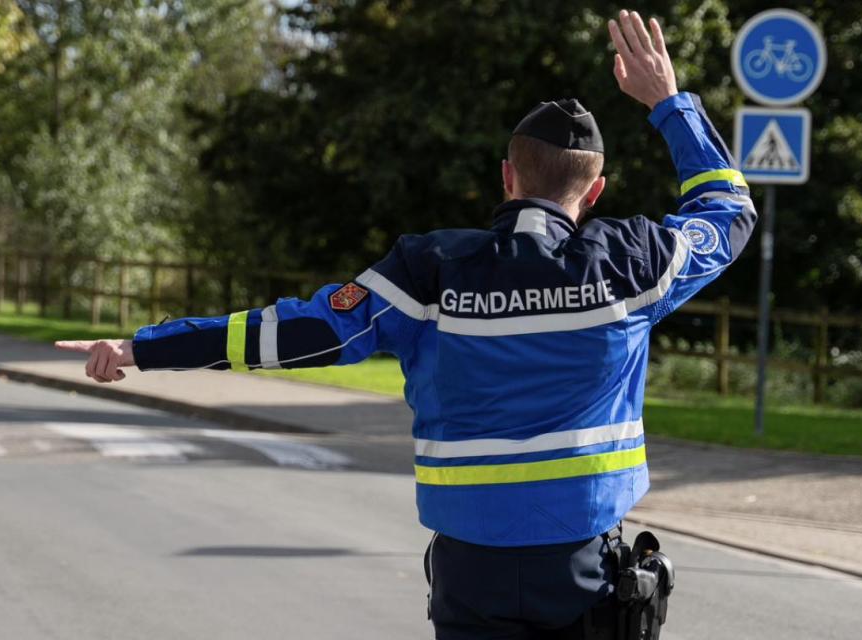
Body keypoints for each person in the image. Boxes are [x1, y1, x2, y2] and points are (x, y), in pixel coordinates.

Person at [55, 10, 757, 640]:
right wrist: (669, 104)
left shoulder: (430, 271)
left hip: (469, 576)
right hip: (580, 573)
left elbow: (297, 334)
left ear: (507, 178)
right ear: (596, 190)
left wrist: (140, 348)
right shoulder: (633, 264)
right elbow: (729, 212)